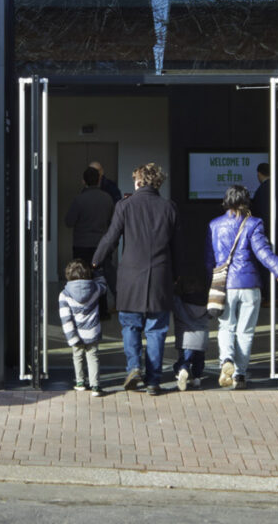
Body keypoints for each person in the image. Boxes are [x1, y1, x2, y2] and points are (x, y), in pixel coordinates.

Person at [90, 161, 176, 395]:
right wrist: (176, 276)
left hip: (130, 277)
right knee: (156, 329)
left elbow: (111, 238)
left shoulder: (125, 206)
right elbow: (176, 246)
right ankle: (154, 381)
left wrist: (96, 260)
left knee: (130, 326)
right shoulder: (168, 207)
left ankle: (134, 367)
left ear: (138, 182)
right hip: (159, 275)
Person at [207, 183, 278, 388]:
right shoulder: (253, 223)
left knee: (226, 326)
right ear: (246, 201)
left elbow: (209, 259)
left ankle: (226, 359)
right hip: (249, 284)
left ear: (226, 201)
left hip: (224, 285)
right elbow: (263, 252)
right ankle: (240, 375)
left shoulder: (215, 225)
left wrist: (210, 279)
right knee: (245, 331)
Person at [57, 259, 109, 395]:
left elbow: (66, 318)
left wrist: (72, 337)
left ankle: (80, 382)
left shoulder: (64, 295)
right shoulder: (94, 289)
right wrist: (98, 273)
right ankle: (95, 386)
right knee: (93, 357)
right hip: (92, 331)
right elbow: (104, 286)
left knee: (78, 357)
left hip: (76, 334)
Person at [64, 163, 116, 272]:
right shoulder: (107, 199)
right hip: (102, 244)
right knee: (102, 275)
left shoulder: (79, 200)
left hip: (81, 245)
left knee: (82, 275)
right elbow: (113, 221)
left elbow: (69, 222)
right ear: (99, 180)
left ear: (84, 181)